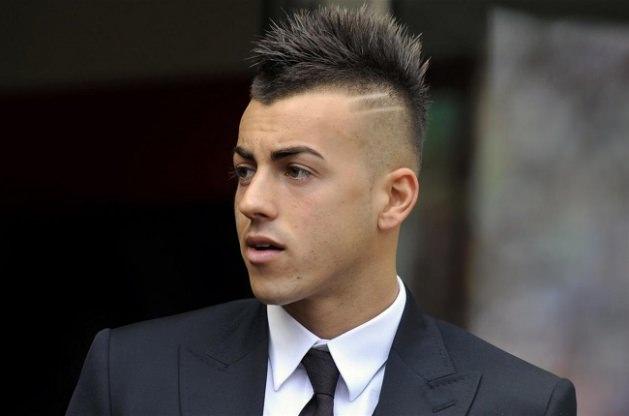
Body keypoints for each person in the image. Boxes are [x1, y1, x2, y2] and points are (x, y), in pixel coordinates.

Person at [66, 6, 576, 415]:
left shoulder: (518, 404)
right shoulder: (132, 375)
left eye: (296, 171)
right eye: (244, 170)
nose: (252, 201)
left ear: (395, 198)